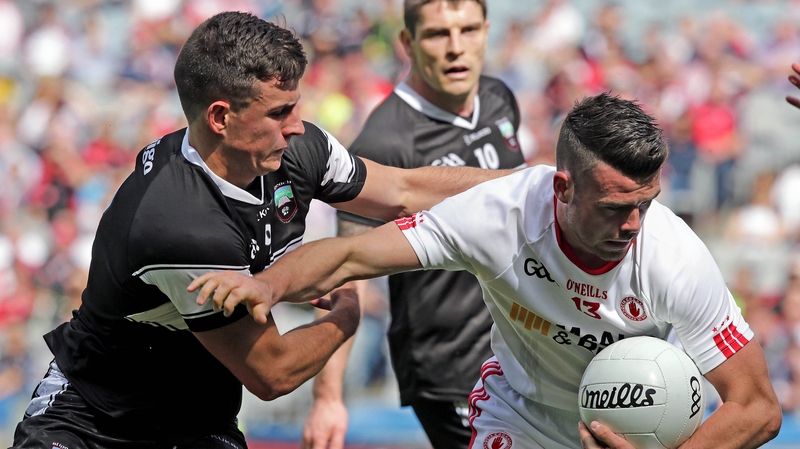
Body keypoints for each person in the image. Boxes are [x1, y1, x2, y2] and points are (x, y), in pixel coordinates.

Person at [10, 12, 515, 448]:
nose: (298, 125)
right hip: (91, 420)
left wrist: (530, 184)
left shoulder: (294, 150)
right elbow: (273, 372)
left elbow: (406, 190)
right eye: (279, 113)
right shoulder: (179, 224)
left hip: (198, 421)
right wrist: (345, 316)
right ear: (220, 117)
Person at [191, 93, 782, 449]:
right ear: (563, 187)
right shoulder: (497, 216)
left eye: (644, 205)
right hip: (519, 416)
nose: (632, 225)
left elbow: (757, 407)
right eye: (613, 208)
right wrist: (268, 283)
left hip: (639, 435)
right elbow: (352, 254)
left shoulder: (674, 257)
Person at [303, 1, 527, 448]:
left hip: (521, 348)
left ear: (487, 30)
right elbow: (346, 270)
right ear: (408, 42)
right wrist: (327, 396)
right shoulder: (384, 140)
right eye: (438, 34)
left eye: (468, 30)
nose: (456, 48)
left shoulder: (500, 99)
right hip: (451, 366)